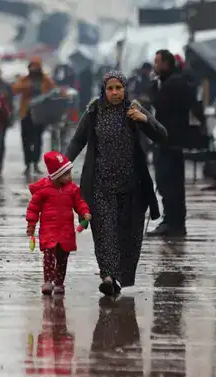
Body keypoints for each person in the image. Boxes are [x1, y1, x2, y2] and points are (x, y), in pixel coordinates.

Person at [66, 71, 167, 296]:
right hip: (100, 186)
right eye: (110, 88)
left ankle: (118, 278)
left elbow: (162, 135)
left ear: (124, 89)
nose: (114, 92)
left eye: (118, 88)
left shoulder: (134, 110)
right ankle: (107, 276)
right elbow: (77, 140)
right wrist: (62, 166)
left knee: (127, 236)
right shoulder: (94, 111)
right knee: (104, 232)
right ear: (104, 90)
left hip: (131, 188)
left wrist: (146, 120)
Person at [149, 49, 203, 237]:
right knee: (171, 183)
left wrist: (153, 87)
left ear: (166, 64)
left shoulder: (173, 84)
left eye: (157, 62)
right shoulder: (175, 81)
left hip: (170, 141)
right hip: (172, 141)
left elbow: (159, 104)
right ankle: (174, 221)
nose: (155, 65)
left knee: (167, 182)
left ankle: (172, 222)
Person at [25, 151, 91, 295]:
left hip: (65, 230)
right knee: (49, 256)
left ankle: (59, 283)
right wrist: (31, 224)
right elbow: (33, 208)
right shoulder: (43, 190)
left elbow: (79, 203)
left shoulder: (72, 190)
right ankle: (48, 281)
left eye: (70, 173)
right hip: (49, 230)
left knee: (62, 257)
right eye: (66, 174)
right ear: (56, 175)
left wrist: (84, 212)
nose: (70, 177)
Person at [12, 57, 57, 175]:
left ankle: (36, 163)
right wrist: (28, 86)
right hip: (25, 113)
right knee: (26, 140)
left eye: (36, 66)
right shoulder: (24, 79)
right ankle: (27, 164)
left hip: (40, 114)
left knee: (38, 140)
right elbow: (15, 89)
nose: (34, 68)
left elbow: (54, 91)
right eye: (32, 66)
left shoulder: (46, 80)